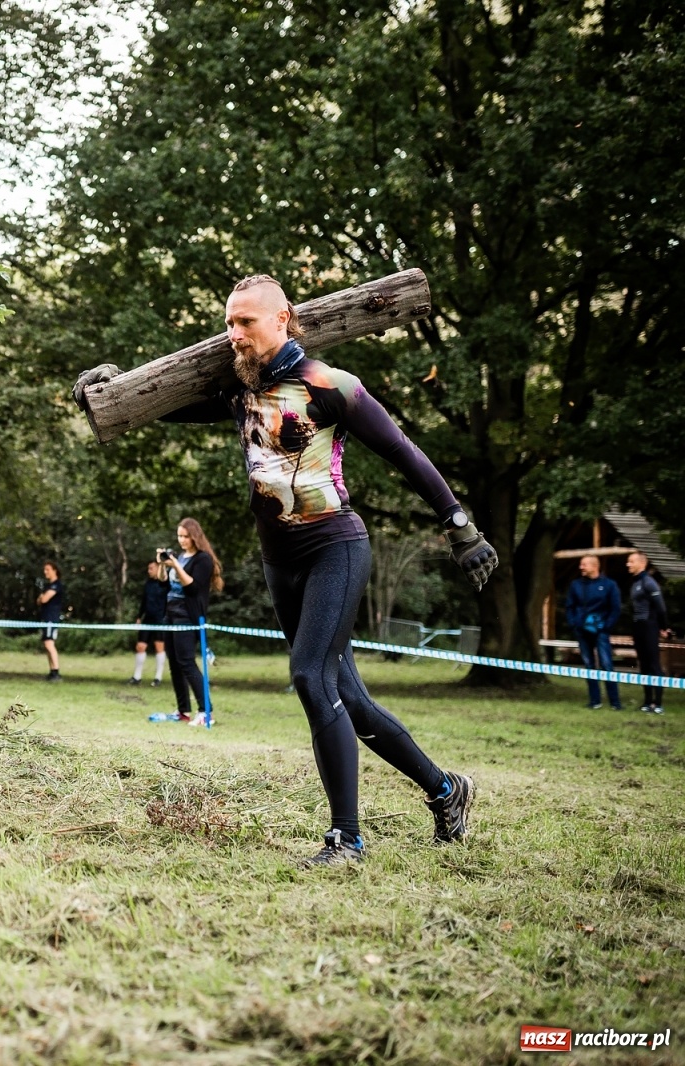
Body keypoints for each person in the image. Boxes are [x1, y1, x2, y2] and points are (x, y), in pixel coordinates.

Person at [75, 273, 498, 865]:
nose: (234, 334)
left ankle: (346, 839)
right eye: (228, 322)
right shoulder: (239, 389)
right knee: (345, 692)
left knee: (309, 677)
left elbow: (404, 451)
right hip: (281, 561)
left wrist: (460, 526)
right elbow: (175, 407)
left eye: (245, 322)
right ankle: (446, 789)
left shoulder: (330, 386)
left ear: (283, 319)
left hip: (335, 548)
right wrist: (111, 390)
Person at [162, 520, 220, 723]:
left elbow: (193, 588)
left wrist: (176, 565)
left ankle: (206, 712)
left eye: (186, 536)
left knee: (187, 662)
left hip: (188, 615)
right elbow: (165, 583)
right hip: (170, 614)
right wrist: (165, 565)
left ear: (194, 536)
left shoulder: (203, 559)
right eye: (179, 536)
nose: (182, 540)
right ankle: (183, 711)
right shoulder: (179, 556)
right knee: (174, 663)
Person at [563, 554, 623, 710]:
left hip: (601, 631)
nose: (581, 567)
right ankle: (595, 700)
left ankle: (615, 702)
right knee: (589, 665)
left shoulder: (609, 585)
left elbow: (615, 608)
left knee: (606, 664)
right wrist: (574, 623)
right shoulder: (576, 585)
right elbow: (570, 606)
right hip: (582, 630)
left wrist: (606, 626)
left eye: (584, 564)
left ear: (595, 566)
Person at [626, 551, 671, 715]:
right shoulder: (634, 583)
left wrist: (664, 627)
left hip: (649, 626)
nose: (627, 564)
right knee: (643, 665)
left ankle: (657, 703)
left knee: (654, 664)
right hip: (638, 627)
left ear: (642, 563)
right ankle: (647, 701)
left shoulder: (649, 582)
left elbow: (660, 607)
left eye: (631, 561)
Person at [131, 558, 168, 686]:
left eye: (151, 568)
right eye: (148, 569)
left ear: (158, 568)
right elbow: (143, 601)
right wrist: (139, 616)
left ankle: (158, 677)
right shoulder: (148, 584)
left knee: (159, 647)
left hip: (160, 620)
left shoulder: (165, 583)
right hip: (147, 619)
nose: (149, 571)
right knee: (140, 646)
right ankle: (137, 677)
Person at [38, 560, 64, 682]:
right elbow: (39, 600)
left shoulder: (57, 585)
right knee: (46, 644)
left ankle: (56, 672)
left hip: (52, 619)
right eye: (44, 569)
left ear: (55, 571)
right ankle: (52, 671)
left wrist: (42, 597)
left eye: (47, 569)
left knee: (49, 644)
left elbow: (43, 599)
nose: (45, 572)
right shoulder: (48, 586)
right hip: (45, 617)